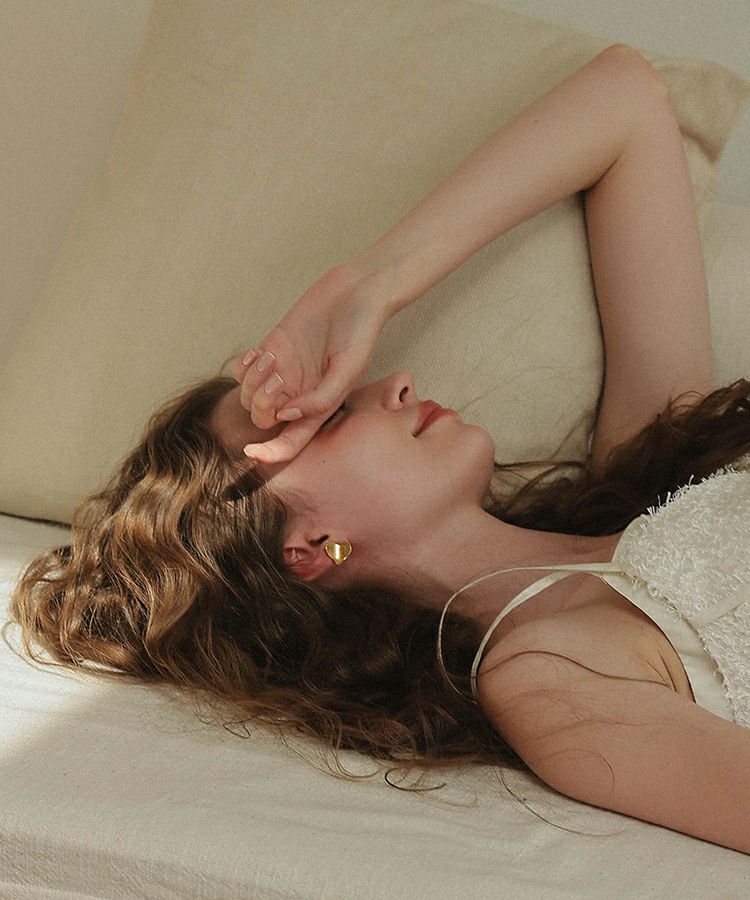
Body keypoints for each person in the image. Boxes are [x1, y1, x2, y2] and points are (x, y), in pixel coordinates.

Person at [9, 45, 750, 854]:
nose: (394, 383)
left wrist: (367, 286)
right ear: (309, 550)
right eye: (327, 420)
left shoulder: (653, 473)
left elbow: (628, 101)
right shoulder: (548, 679)